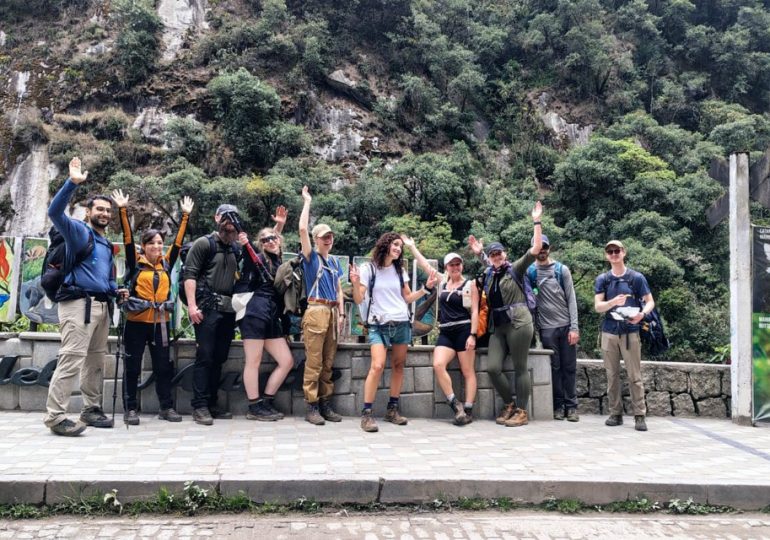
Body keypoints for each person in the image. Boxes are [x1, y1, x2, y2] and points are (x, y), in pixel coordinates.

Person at [43, 157, 127, 436]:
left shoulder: (106, 244)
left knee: (95, 362)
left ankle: (91, 409)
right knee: (71, 358)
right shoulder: (79, 232)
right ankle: (56, 417)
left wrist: (116, 290)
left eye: (108, 210)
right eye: (99, 209)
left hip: (101, 306)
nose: (104, 213)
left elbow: (106, 279)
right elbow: (55, 212)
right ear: (88, 212)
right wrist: (72, 182)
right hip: (78, 304)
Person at [112, 189, 193, 425]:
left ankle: (166, 407)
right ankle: (130, 409)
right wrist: (123, 210)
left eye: (160, 243)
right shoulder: (136, 262)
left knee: (163, 367)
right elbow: (127, 239)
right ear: (144, 246)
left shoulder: (166, 264)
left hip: (160, 324)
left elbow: (178, 243)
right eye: (152, 243)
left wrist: (185, 216)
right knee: (132, 367)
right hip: (136, 323)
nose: (157, 246)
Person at [350, 233, 437, 433]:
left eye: (400, 246)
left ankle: (392, 409)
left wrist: (425, 289)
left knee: (398, 365)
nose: (398, 248)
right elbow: (358, 299)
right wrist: (355, 283)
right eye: (395, 244)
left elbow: (408, 297)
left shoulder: (399, 271)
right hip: (378, 325)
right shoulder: (369, 269)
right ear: (385, 245)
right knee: (377, 365)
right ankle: (367, 413)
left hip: (401, 323)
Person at [469, 201, 543, 427]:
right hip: (498, 326)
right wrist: (479, 253)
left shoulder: (516, 269)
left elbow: (536, 249)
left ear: (505, 254)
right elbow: (488, 263)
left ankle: (522, 411)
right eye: (493, 254)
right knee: (493, 368)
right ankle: (509, 403)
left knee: (520, 367)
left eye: (499, 253)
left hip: (519, 323)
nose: (496, 256)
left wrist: (537, 221)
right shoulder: (490, 273)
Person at [403, 239, 479, 426]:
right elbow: (424, 265)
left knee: (468, 371)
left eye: (458, 264)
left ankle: (468, 409)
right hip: (446, 331)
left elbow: (475, 311)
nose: (455, 267)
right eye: (451, 264)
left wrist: (473, 335)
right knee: (438, 364)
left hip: (464, 330)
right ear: (446, 267)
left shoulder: (470, 284)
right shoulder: (442, 281)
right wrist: (412, 247)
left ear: (462, 266)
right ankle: (455, 404)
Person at [183, 203, 242, 425]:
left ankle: (211, 402)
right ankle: (199, 406)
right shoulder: (204, 243)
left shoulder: (236, 248)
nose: (230, 223)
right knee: (205, 356)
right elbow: (190, 275)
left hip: (227, 310)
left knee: (219, 357)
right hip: (206, 307)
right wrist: (192, 306)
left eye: (234, 219)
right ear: (217, 218)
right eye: (226, 217)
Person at [234, 206, 293, 421]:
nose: (270, 241)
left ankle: (266, 401)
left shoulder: (279, 261)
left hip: (271, 315)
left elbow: (274, 243)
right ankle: (254, 406)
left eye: (273, 238)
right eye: (265, 240)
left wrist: (279, 226)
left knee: (286, 361)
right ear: (260, 244)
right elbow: (252, 255)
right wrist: (245, 243)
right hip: (255, 312)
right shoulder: (257, 259)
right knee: (254, 361)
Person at [594, 240, 654, 432]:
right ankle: (615, 413)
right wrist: (613, 302)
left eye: (617, 251)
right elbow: (598, 306)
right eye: (610, 251)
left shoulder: (636, 278)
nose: (614, 254)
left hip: (630, 332)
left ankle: (639, 415)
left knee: (634, 375)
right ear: (606, 256)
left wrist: (642, 314)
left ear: (623, 252)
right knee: (611, 376)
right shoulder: (603, 279)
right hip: (609, 331)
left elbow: (650, 301)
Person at [298, 186, 345, 425]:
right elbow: (302, 229)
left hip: (332, 311)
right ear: (316, 239)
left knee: (328, 362)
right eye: (324, 236)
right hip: (316, 309)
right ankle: (312, 405)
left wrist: (342, 314)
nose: (329, 239)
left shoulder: (335, 262)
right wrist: (307, 202)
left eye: (330, 236)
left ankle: (325, 403)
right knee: (314, 361)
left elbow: (338, 289)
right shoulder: (311, 258)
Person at [526, 235, 580, 422]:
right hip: (546, 329)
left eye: (545, 247)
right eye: (538, 247)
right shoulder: (530, 272)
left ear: (549, 248)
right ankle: (558, 406)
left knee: (569, 367)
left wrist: (574, 327)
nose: (542, 250)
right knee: (554, 368)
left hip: (565, 326)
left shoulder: (561, 270)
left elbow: (571, 299)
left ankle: (572, 407)